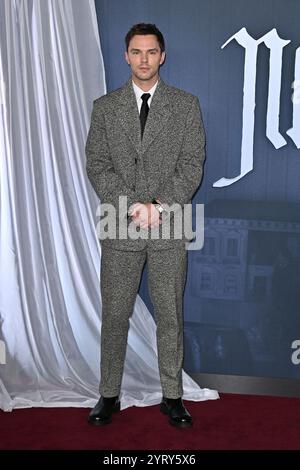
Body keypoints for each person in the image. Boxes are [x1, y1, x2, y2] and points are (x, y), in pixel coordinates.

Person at [85, 23, 205, 428]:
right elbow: (97, 165)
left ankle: (173, 397)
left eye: (151, 52)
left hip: (169, 225)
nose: (143, 60)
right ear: (126, 56)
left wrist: (158, 205)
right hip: (120, 224)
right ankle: (108, 395)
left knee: (171, 313)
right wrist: (132, 205)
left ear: (162, 55)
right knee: (115, 314)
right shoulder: (105, 108)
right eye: (136, 52)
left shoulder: (186, 106)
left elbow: (192, 166)